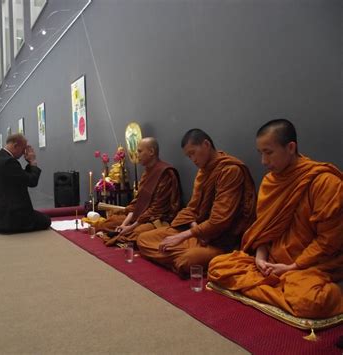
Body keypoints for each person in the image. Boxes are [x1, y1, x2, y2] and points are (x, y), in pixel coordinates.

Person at [208, 119, 343, 318]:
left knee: (311, 302)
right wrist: (261, 258)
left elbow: (328, 241)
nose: (263, 161)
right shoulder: (270, 181)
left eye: (268, 152)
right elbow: (264, 230)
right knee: (217, 266)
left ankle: (282, 286)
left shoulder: (325, 182)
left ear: (290, 147)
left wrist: (292, 267)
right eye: (260, 153)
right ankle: (281, 288)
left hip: (308, 266)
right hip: (271, 263)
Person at [137, 129, 257, 278]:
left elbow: (220, 220)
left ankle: (189, 260)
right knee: (143, 239)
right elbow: (192, 208)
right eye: (189, 156)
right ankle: (186, 260)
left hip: (220, 241)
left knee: (186, 261)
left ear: (206, 144)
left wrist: (185, 236)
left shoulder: (230, 170)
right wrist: (193, 229)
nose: (193, 159)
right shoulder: (203, 170)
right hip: (198, 233)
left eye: (193, 153)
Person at [95, 137, 182, 246]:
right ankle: (120, 233)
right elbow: (137, 203)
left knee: (136, 234)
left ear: (151, 152)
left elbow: (156, 210)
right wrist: (124, 224)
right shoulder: (147, 172)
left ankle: (122, 236)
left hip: (154, 220)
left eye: (140, 151)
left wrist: (130, 227)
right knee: (108, 223)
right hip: (138, 218)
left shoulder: (165, 173)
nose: (137, 154)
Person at [0, 134, 51, 233]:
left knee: (41, 217)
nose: (23, 153)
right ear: (15, 145)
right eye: (23, 149)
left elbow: (22, 177)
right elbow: (31, 181)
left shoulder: (1, 158)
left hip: (1, 214)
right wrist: (33, 162)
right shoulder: (8, 162)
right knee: (46, 220)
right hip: (12, 217)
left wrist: (29, 164)